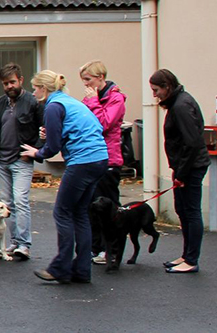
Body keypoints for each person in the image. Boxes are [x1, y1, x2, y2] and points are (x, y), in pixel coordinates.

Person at [21, 70, 108, 284]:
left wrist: (37, 153)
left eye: (35, 88)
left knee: (62, 211)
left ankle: (61, 267)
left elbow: (52, 147)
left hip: (82, 160)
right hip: (99, 158)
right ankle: (82, 270)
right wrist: (50, 134)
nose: (34, 92)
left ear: (45, 88)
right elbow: (84, 128)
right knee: (79, 213)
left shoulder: (53, 106)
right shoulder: (70, 102)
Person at [0, 63, 44, 261]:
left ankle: (24, 244)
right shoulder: (0, 103)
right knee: (7, 204)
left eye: (12, 82)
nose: (9, 86)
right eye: (5, 83)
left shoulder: (32, 102)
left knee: (21, 201)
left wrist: (35, 151)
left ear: (21, 80)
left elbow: (44, 130)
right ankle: (14, 242)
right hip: (2, 160)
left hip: (22, 160)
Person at [152, 69, 209, 274]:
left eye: (156, 90)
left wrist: (182, 175)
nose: (155, 95)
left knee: (191, 212)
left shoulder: (181, 106)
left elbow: (192, 143)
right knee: (183, 211)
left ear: (167, 86)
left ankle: (191, 260)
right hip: (186, 166)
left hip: (191, 168)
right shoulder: (178, 102)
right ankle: (186, 255)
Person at [79, 61, 128, 265]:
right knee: (92, 206)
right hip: (91, 156)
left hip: (109, 159)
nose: (87, 86)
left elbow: (103, 124)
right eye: (84, 82)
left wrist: (92, 103)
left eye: (89, 80)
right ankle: (96, 247)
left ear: (101, 77)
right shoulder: (94, 98)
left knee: (109, 207)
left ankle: (112, 249)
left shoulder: (115, 99)